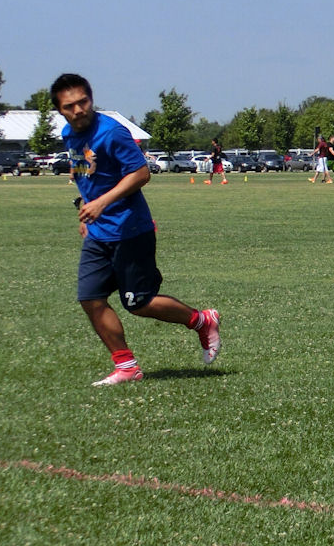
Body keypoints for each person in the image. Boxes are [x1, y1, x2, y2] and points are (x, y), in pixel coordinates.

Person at [51, 73, 221, 386]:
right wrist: (84, 209)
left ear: (91, 99)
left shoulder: (112, 132)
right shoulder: (68, 134)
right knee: (90, 298)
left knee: (138, 303)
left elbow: (142, 173)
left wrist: (101, 203)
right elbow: (85, 174)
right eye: (69, 106)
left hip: (130, 230)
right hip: (98, 234)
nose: (78, 110)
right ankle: (126, 366)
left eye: (83, 102)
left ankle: (201, 320)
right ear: (60, 110)